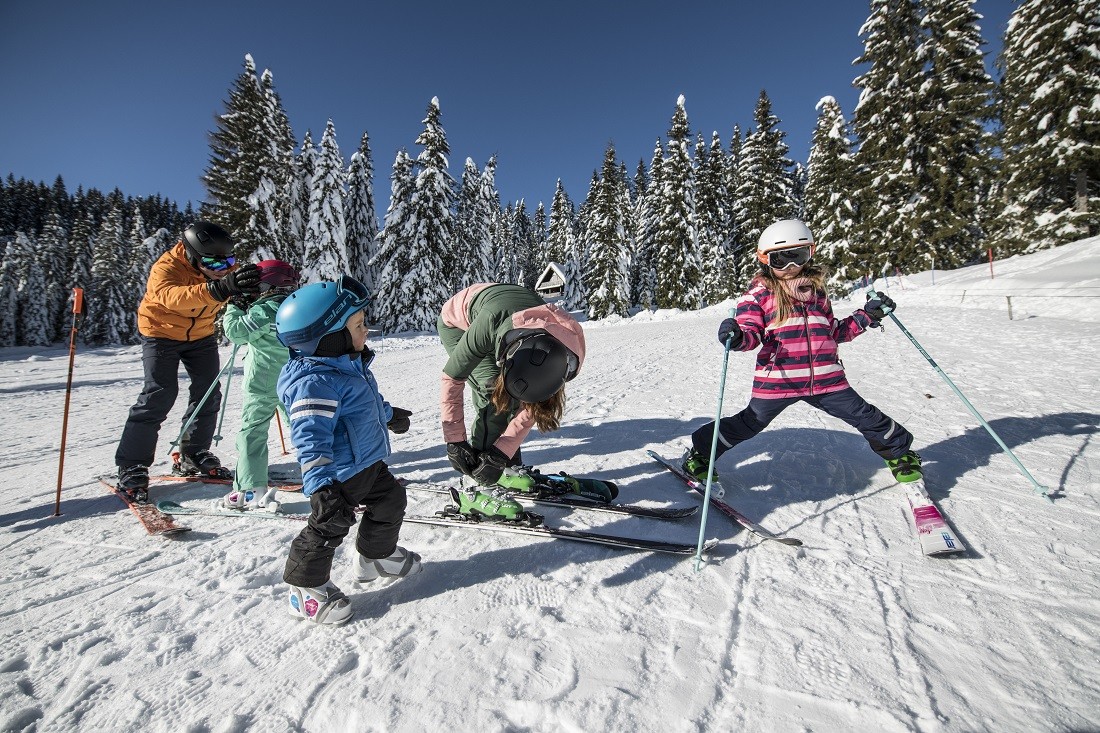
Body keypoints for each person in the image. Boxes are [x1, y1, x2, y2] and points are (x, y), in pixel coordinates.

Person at [681, 218, 923, 489]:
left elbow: (835, 332)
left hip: (827, 379)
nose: (790, 267)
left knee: (865, 415)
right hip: (778, 381)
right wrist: (736, 337)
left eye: (797, 256)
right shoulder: (758, 297)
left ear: (810, 253)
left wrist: (868, 316)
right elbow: (751, 334)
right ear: (765, 261)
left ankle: (901, 455)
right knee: (749, 423)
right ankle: (700, 454)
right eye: (780, 260)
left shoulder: (818, 294)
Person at [274, 276, 419, 625]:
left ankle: (376, 556)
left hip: (367, 463)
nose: (366, 330)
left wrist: (389, 415)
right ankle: (304, 588)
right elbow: (310, 439)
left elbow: (365, 404)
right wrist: (321, 486)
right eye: (358, 324)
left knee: (391, 501)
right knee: (329, 526)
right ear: (329, 336)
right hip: (338, 474)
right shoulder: (316, 382)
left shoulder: (347, 365)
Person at [114, 221, 261, 502]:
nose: (224, 269)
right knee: (159, 393)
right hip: (160, 333)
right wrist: (218, 290)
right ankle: (132, 464)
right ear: (192, 254)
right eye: (215, 265)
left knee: (208, 391)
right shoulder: (166, 267)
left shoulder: (221, 267)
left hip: (201, 335)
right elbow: (173, 298)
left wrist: (246, 295)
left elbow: (229, 288)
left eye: (229, 262)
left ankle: (192, 453)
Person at [438, 283, 590, 521]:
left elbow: (536, 401)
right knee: (493, 393)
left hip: (508, 319)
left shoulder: (567, 350)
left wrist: (501, 453)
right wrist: (455, 439)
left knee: (514, 395)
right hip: (459, 324)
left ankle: (501, 467)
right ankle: (474, 487)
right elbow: (452, 378)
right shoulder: (488, 322)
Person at [220, 259, 301, 510]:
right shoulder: (295, 309)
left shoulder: (264, 311)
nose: (254, 293)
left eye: (257, 287)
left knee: (252, 431)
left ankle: (250, 488)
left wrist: (234, 305)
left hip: (263, 383)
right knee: (301, 424)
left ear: (268, 285)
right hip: (293, 378)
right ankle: (324, 470)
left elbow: (235, 332)